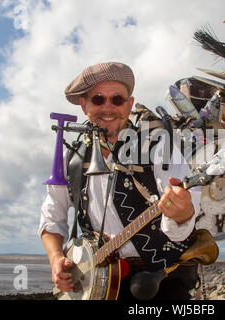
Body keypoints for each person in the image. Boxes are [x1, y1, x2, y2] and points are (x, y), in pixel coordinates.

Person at [39, 62, 201, 300]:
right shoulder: (70, 158)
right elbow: (52, 218)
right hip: (95, 285)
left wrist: (182, 212)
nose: (108, 107)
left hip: (159, 283)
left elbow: (182, 229)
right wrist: (55, 260)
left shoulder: (159, 148)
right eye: (98, 99)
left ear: (129, 105)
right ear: (84, 105)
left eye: (117, 99)